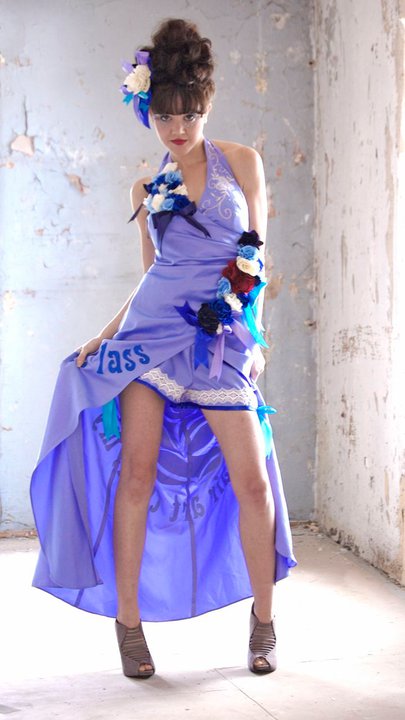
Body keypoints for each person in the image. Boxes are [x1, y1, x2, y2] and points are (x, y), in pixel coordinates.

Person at [30, 18, 296, 680]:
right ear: (147, 110)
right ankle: (128, 624)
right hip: (149, 342)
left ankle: (263, 622)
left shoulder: (243, 163)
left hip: (221, 339)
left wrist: (257, 338)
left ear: (206, 105)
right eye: (164, 115)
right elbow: (151, 276)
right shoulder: (147, 191)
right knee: (137, 476)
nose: (177, 128)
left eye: (189, 114)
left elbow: (256, 257)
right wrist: (105, 334)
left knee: (253, 483)